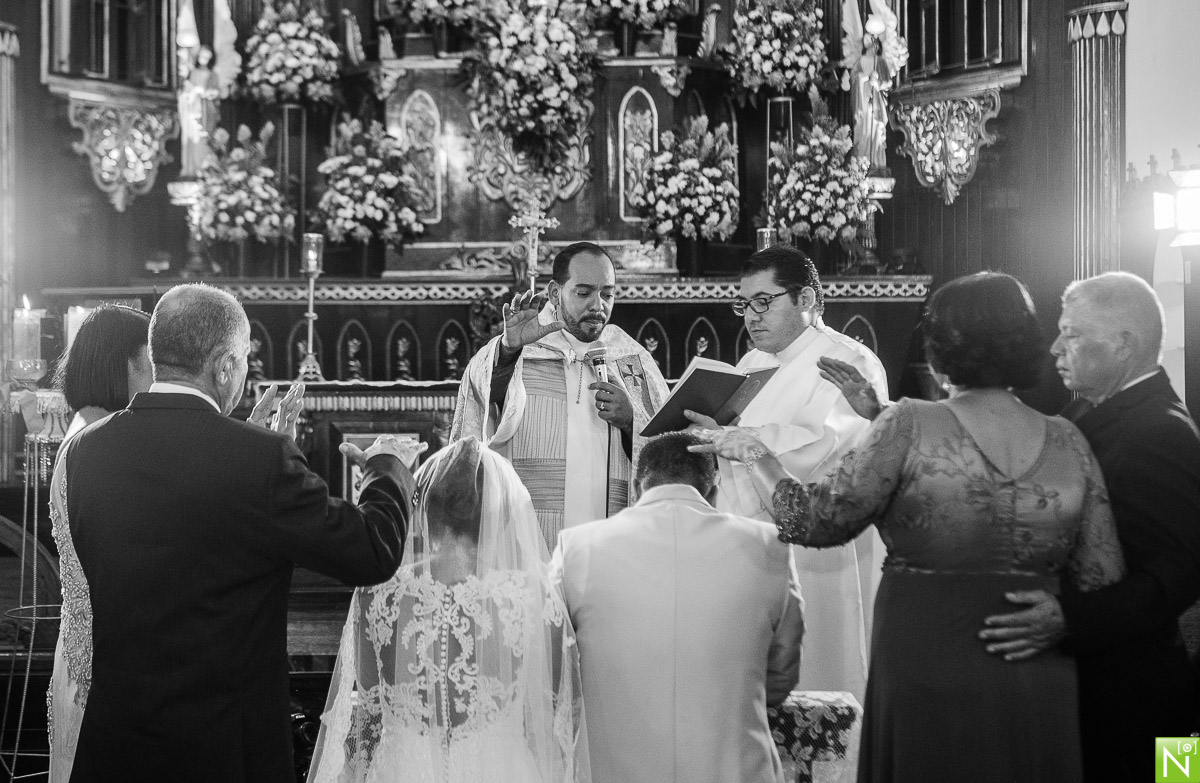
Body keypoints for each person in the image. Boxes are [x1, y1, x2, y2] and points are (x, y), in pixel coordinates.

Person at [693, 272, 1126, 782]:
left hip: (930, 657)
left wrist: (758, 453)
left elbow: (809, 520)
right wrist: (1060, 615)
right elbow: (1103, 577)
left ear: (940, 346)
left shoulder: (910, 424)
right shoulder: (1068, 439)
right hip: (1033, 662)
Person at [62, 284, 420, 783]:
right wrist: (389, 468)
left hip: (118, 744)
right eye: (244, 361)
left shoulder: (87, 452)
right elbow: (371, 551)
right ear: (225, 367)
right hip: (226, 750)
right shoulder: (261, 459)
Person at [978, 272, 1200, 782]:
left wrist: (1068, 619)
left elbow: (1180, 575)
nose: (1056, 348)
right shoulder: (1090, 409)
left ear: (1124, 344)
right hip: (1099, 686)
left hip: (1148, 703)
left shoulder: (1161, 432)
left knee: (1178, 781)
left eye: (1073, 334)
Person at [308, 436, 588, 783]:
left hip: (402, 771)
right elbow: (553, 721)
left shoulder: (378, 594)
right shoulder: (535, 599)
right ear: (501, 517)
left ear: (426, 510)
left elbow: (368, 716)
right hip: (502, 770)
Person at [684, 244, 886, 703]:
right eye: (743, 304)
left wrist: (741, 440)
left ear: (807, 300)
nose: (750, 316)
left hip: (818, 546)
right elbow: (729, 439)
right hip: (749, 538)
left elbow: (826, 447)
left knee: (819, 671)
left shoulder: (847, 361)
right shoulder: (752, 364)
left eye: (763, 301)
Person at [549, 432, 804, 783]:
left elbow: (553, 674)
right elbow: (782, 677)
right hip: (735, 770)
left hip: (609, 770)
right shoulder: (770, 545)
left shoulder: (576, 547)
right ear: (713, 490)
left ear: (638, 488)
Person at [451, 242, 668, 549]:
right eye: (584, 293)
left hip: (612, 544)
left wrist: (632, 422)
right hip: (531, 542)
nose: (598, 305)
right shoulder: (518, 348)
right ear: (555, 294)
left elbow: (669, 442)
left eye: (607, 294)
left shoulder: (629, 358)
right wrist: (509, 352)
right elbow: (481, 406)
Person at [47, 304, 152, 783]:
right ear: (123, 364)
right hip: (105, 666)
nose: (156, 374)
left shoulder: (84, 433)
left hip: (82, 651)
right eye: (149, 359)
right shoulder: (98, 443)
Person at [179, 45, 220, 178]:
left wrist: (200, 91)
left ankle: (202, 167)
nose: (204, 59)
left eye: (207, 57)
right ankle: (190, 167)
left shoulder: (212, 75)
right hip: (190, 108)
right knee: (189, 139)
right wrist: (189, 91)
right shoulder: (192, 72)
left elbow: (214, 93)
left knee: (201, 138)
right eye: (202, 56)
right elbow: (185, 88)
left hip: (204, 111)